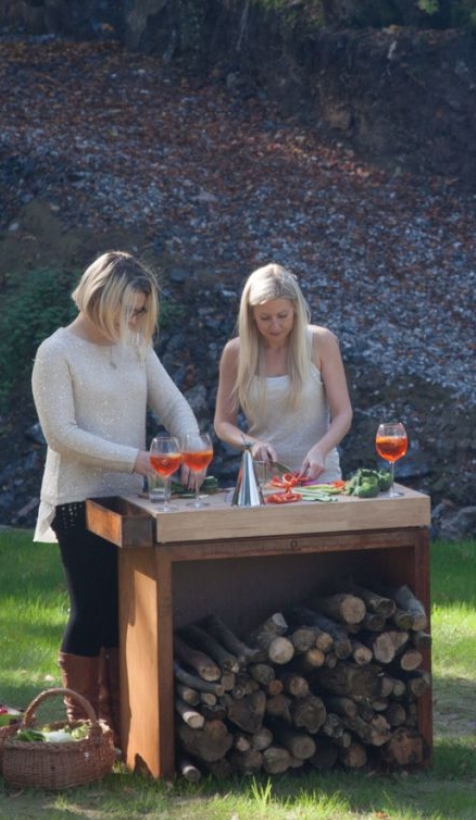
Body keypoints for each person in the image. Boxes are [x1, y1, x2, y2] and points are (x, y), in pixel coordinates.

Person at [31, 251, 204, 741]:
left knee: (130, 611)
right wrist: (135, 459)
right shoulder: (55, 352)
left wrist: (189, 442)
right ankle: (84, 727)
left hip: (132, 500)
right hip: (77, 501)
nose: (134, 320)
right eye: (128, 310)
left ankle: (127, 727)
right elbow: (61, 434)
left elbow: (170, 401)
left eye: (140, 311)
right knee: (94, 610)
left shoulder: (135, 344)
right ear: (97, 298)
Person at [213, 263, 352, 483]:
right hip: (262, 481)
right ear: (251, 316)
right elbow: (222, 423)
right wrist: (252, 444)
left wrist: (320, 451)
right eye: (265, 318)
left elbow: (343, 414)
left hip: (320, 478)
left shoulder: (321, 342)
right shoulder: (235, 352)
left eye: (283, 315)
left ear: (295, 310)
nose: (275, 326)